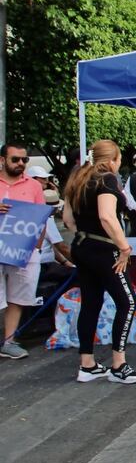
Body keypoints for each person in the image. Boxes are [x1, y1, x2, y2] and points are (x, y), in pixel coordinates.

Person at [63, 140, 136, 383]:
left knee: (91, 302)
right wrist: (124, 247)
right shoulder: (106, 179)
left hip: (81, 246)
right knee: (128, 301)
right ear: (111, 161)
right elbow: (107, 217)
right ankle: (119, 364)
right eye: (119, 160)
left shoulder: (77, 178)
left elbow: (68, 219)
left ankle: (87, 363)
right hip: (103, 248)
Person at [0, 142, 47, 359]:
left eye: (24, 160)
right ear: (2, 160)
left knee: (17, 296)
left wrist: (37, 246)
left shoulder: (34, 186)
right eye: (15, 159)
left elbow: (41, 216)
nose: (21, 163)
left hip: (23, 249)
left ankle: (9, 341)